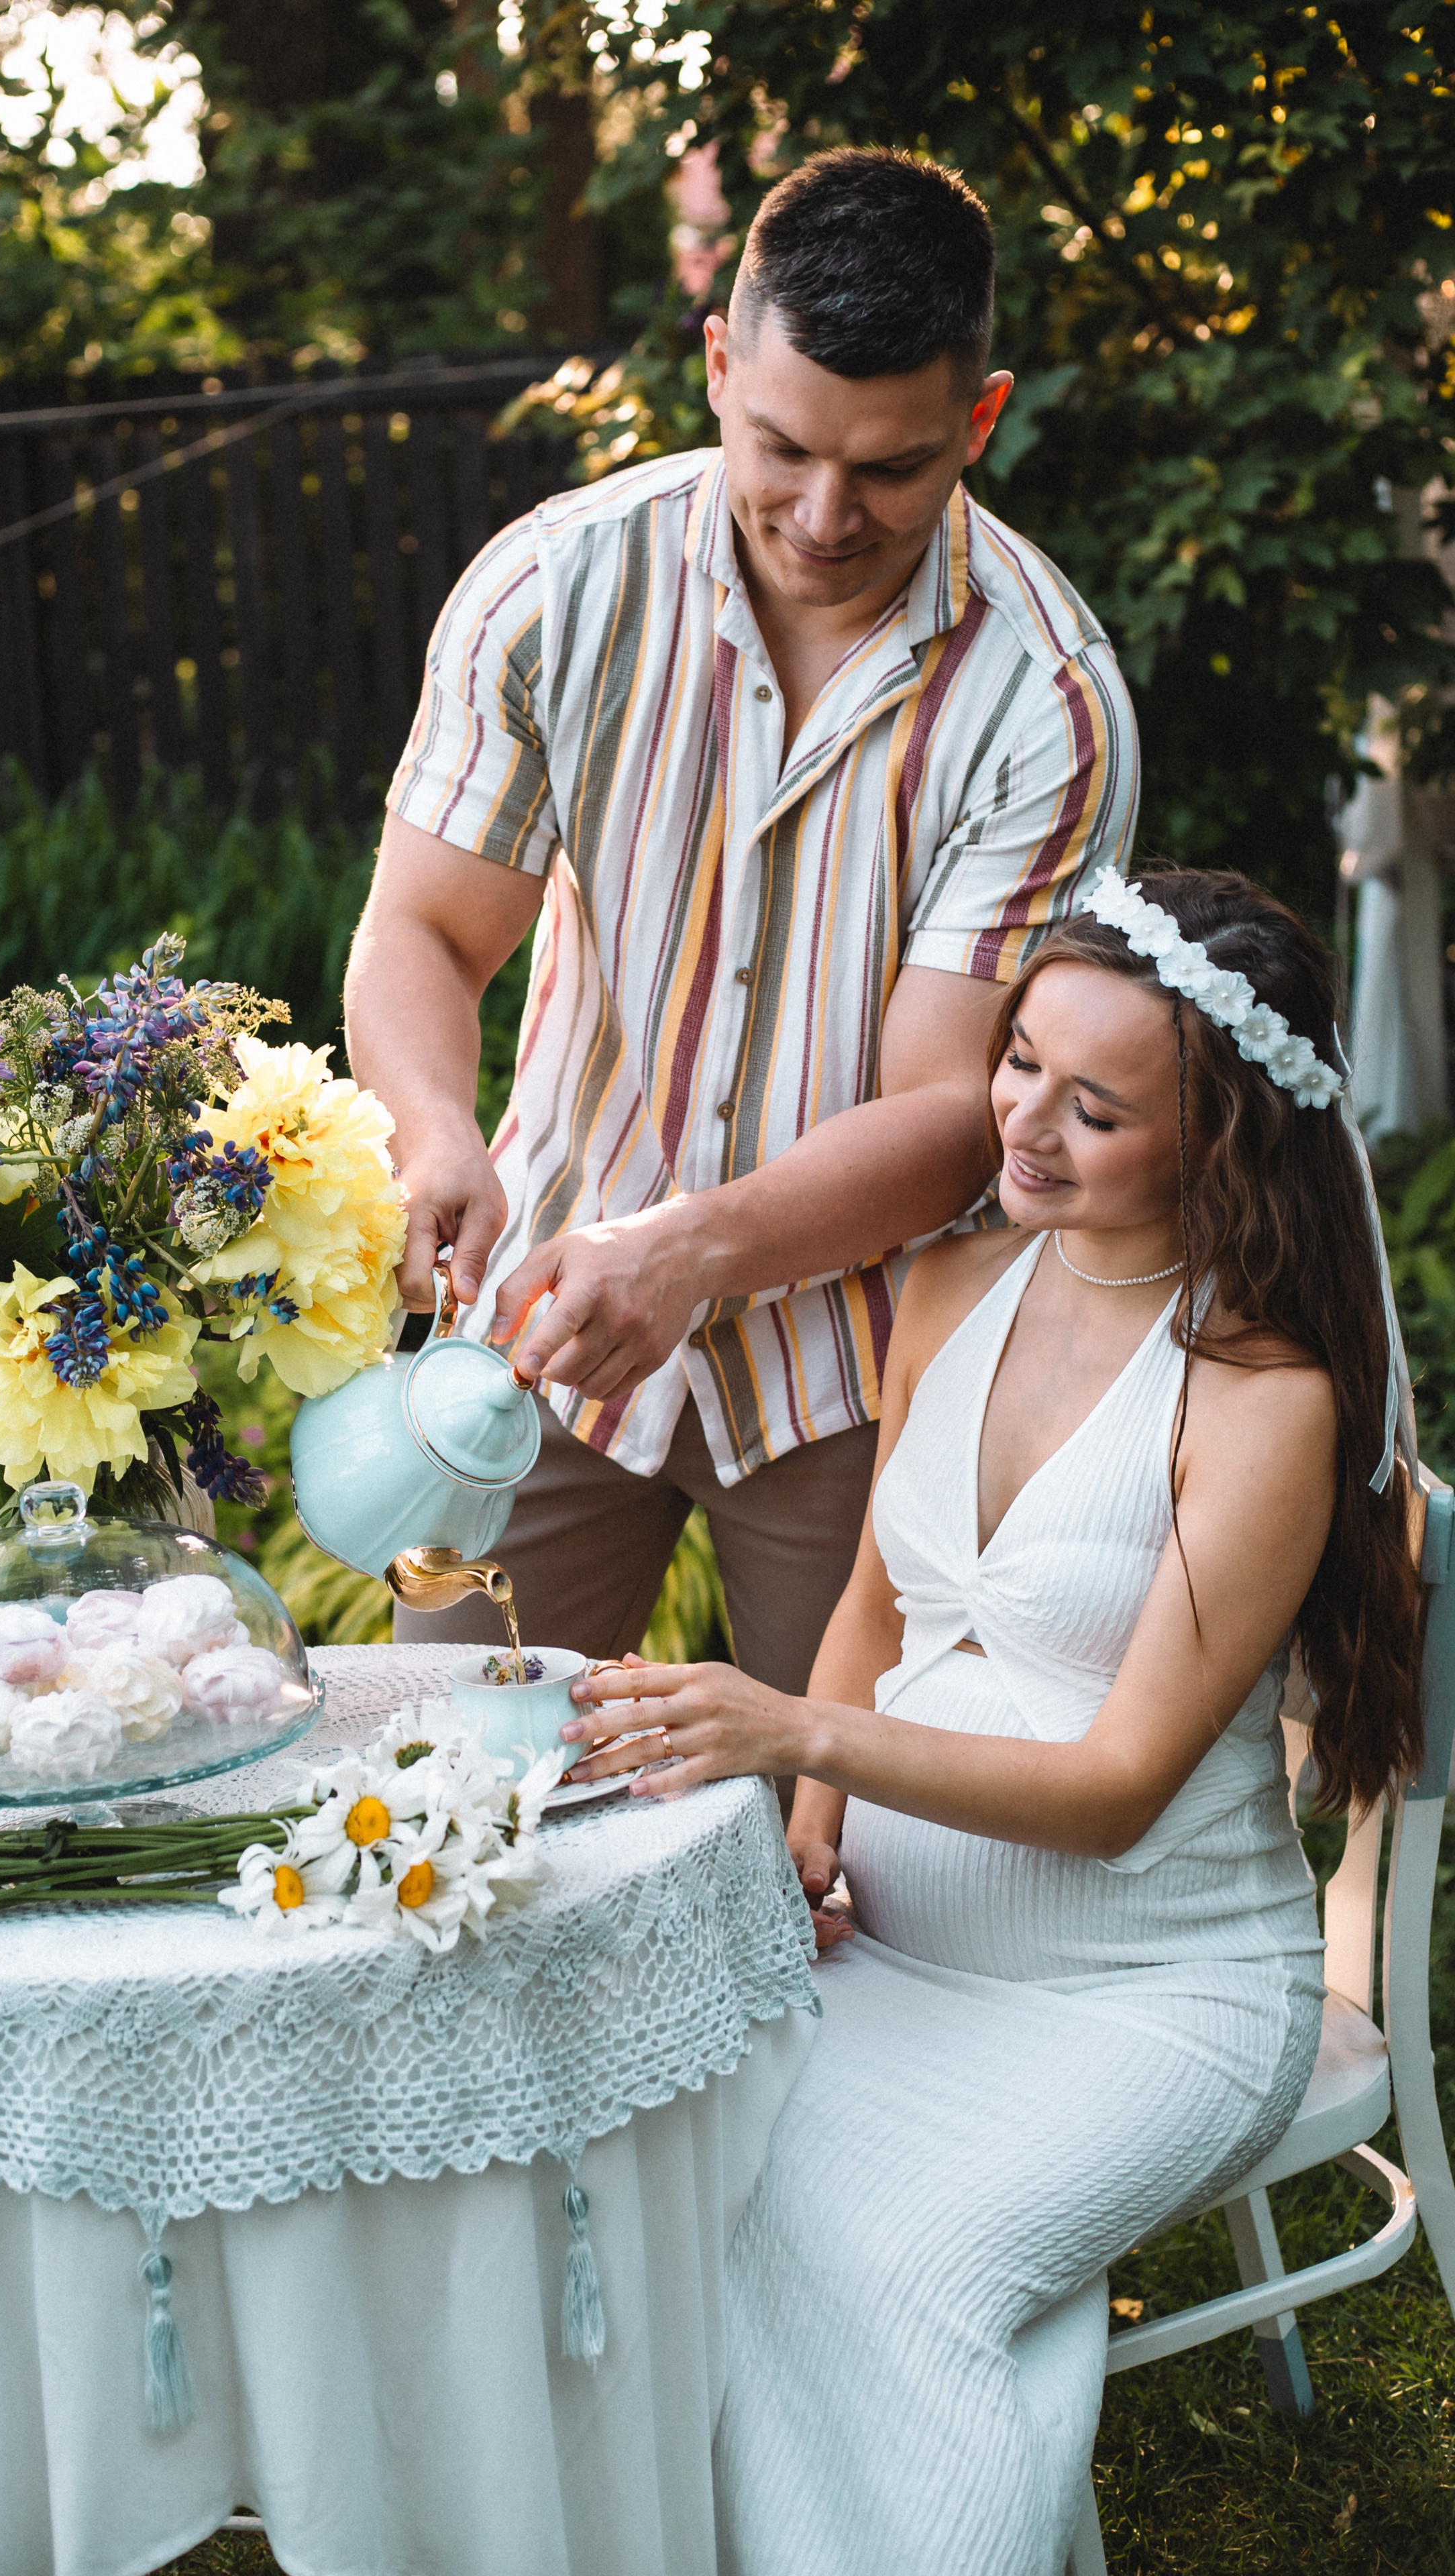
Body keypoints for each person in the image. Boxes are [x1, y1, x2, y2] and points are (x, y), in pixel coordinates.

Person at [561, 866, 1424, 2575]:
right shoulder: (954, 1285)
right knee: (674, 2191)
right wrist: (808, 1842)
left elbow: (1112, 1793)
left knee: (885, 2259)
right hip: (893, 1958)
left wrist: (792, 1745)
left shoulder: (1261, 1399)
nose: (1019, 1123)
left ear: (1216, 1143)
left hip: (1148, 2001)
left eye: (1092, 1107)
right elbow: (885, 1602)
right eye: (1015, 1060)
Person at [345, 146, 1139, 1697]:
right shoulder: (551, 590)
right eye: (780, 447)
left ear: (979, 420)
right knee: (450, 1788)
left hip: (866, 1368)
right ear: (717, 363)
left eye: (893, 468)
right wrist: (434, 1131)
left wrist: (693, 1251)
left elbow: (952, 1112)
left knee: (852, 1875)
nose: (825, 513)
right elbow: (422, 935)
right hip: (543, 1328)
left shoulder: (1047, 703)